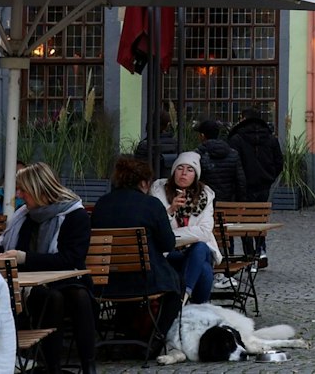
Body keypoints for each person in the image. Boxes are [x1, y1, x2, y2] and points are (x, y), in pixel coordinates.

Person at [0, 162, 96, 374]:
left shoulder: (75, 215)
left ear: (39, 189)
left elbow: (71, 258)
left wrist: (25, 258)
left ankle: (89, 366)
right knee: (53, 297)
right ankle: (53, 368)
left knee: (79, 296)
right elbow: (5, 248)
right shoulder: (25, 216)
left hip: (68, 277)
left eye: (23, 190)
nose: (19, 195)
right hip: (32, 283)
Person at [90, 155, 180, 324]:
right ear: (144, 183)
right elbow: (168, 244)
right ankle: (157, 336)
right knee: (176, 284)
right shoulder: (152, 205)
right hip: (145, 281)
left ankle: (124, 327)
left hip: (106, 281)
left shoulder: (102, 204)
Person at [157, 151, 220, 304]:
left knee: (200, 247)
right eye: (180, 168)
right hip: (170, 253)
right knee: (204, 269)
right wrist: (170, 211)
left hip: (198, 251)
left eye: (190, 170)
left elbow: (204, 233)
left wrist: (174, 235)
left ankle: (182, 298)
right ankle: (195, 305)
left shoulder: (205, 195)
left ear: (195, 175)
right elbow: (158, 228)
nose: (184, 173)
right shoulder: (159, 191)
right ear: (173, 171)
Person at [227, 113, 284, 203]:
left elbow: (231, 162)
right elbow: (279, 162)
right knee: (261, 209)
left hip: (242, 185)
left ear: (244, 120)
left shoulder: (236, 139)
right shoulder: (271, 139)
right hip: (265, 183)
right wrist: (270, 175)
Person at [193, 118, 247, 203]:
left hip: (204, 202)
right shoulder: (233, 154)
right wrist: (240, 202)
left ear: (202, 136)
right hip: (227, 201)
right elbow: (241, 182)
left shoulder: (198, 154)